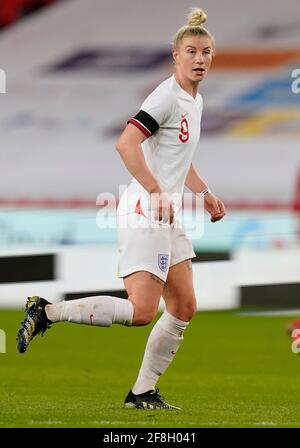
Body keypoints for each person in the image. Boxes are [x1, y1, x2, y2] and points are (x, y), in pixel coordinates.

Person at [16, 7, 226, 410]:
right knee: (143, 311)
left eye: (206, 52)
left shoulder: (194, 101)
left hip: (167, 213)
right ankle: (47, 312)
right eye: (191, 51)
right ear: (175, 56)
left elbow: (179, 160)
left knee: (184, 306)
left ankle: (142, 392)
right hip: (145, 209)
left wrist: (204, 194)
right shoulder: (165, 97)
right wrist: (157, 191)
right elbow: (125, 144)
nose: (199, 59)